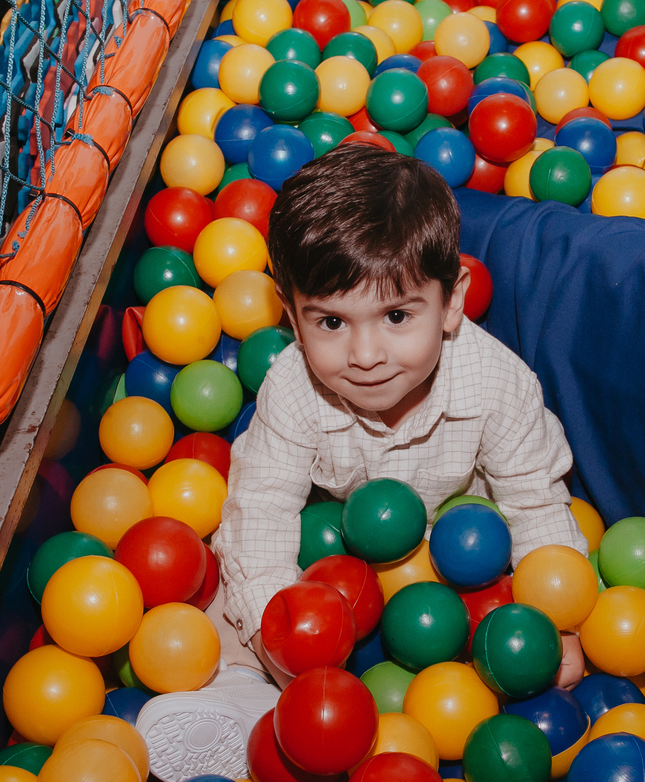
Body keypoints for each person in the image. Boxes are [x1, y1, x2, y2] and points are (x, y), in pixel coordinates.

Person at [136, 143, 590, 781]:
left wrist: (558, 625)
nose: (367, 354)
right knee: (225, 584)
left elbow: (535, 502)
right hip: (337, 559)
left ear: (453, 300)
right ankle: (242, 697)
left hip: (462, 560)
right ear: (290, 315)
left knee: (517, 636)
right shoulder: (292, 389)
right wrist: (283, 634)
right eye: (330, 323)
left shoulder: (498, 385)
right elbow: (262, 510)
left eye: (398, 315)